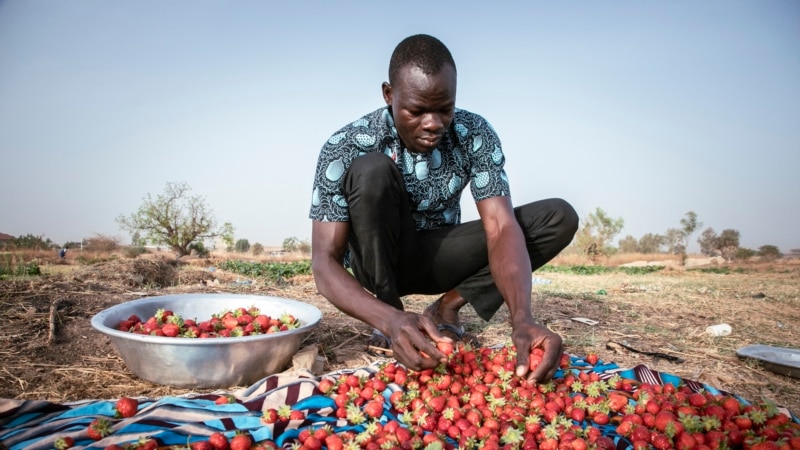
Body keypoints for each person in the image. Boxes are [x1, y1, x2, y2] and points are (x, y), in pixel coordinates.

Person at [309, 34, 578, 383]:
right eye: (417, 110)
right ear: (389, 95)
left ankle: (446, 306)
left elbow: (499, 226)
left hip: (437, 256)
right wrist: (388, 320)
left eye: (444, 109)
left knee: (557, 217)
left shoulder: (474, 133)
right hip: (376, 263)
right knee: (370, 170)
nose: (434, 123)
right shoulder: (345, 145)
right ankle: (396, 315)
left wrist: (522, 317)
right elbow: (323, 262)